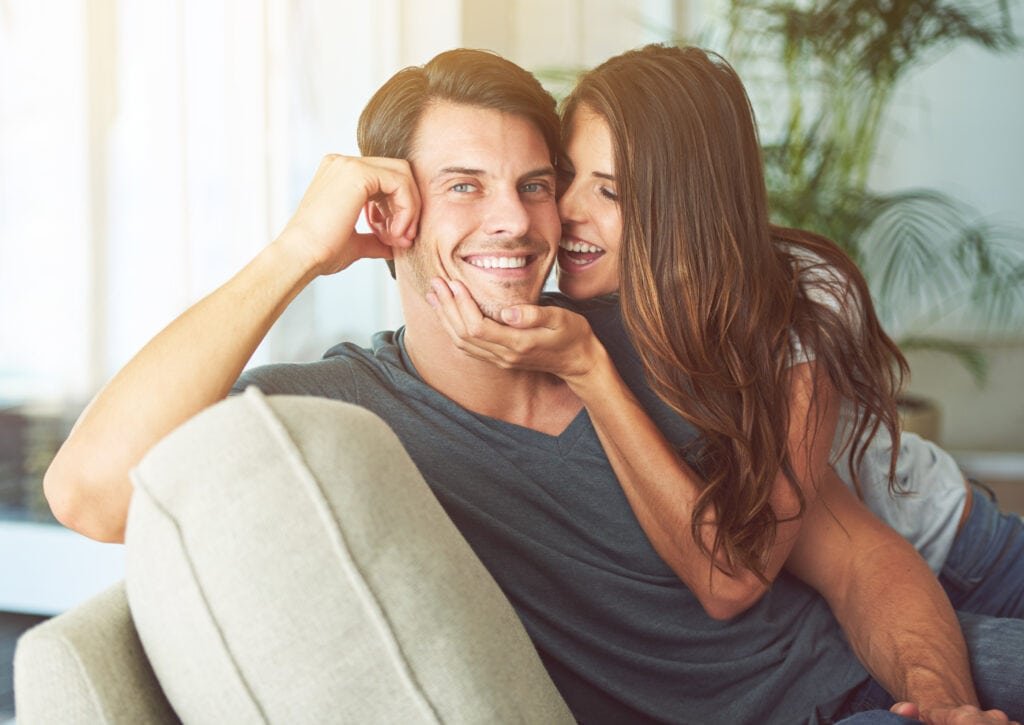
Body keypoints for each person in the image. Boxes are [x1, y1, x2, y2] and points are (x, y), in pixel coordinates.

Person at [42, 48, 1022, 723]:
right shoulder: (345, 416)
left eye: (535, 182)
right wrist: (300, 247)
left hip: (893, 666)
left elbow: (855, 553)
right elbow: (87, 491)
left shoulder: (650, 329)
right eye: (463, 185)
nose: (514, 219)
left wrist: (941, 697)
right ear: (391, 212)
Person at [426, 43, 1024, 625]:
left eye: (612, 190)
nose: (567, 208)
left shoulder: (797, 291)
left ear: (680, 207)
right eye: (563, 175)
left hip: (957, 556)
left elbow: (739, 574)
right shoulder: (579, 291)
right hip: (828, 610)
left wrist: (588, 369)